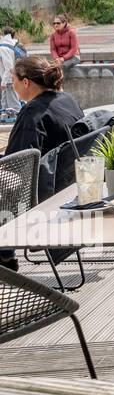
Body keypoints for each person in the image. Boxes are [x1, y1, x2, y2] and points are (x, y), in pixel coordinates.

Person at [1, 56, 86, 272]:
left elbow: (17, 164)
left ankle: (4, 255)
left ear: (26, 82)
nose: (13, 86)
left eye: (14, 81)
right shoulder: (66, 99)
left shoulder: (33, 113)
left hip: (40, 193)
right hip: (67, 185)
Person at [0, 27, 20, 122]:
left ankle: (17, 119)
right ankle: (5, 116)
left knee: (13, 102)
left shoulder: (3, 47)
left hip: (8, 79)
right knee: (5, 101)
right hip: (8, 78)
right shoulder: (10, 44)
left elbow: (9, 68)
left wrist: (3, 82)